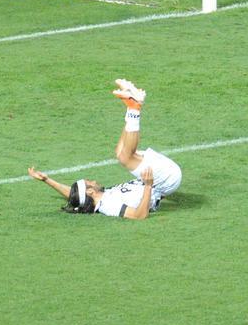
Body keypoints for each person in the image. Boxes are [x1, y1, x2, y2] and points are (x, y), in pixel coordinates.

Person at [28, 78, 182, 220]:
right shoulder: (108, 206)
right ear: (90, 191)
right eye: (90, 182)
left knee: (120, 152)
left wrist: (47, 180)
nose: (94, 181)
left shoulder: (100, 197)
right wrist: (148, 185)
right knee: (125, 158)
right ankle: (134, 107)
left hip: (158, 180)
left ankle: (131, 105)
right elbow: (138, 216)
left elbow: (75, 195)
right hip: (162, 181)